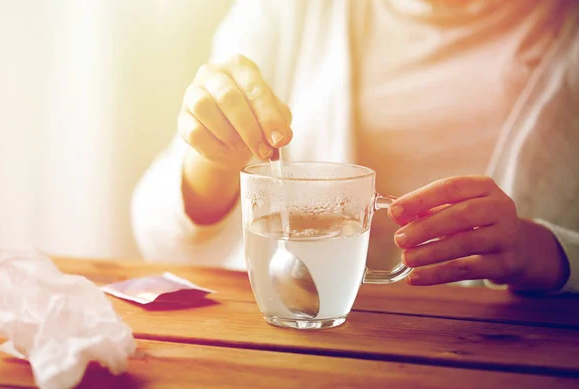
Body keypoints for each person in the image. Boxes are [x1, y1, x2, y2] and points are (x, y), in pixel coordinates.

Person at [131, 0, 579, 293]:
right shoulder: (288, 12)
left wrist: (538, 249)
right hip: (306, 342)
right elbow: (160, 239)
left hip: (507, 353)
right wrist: (213, 161)